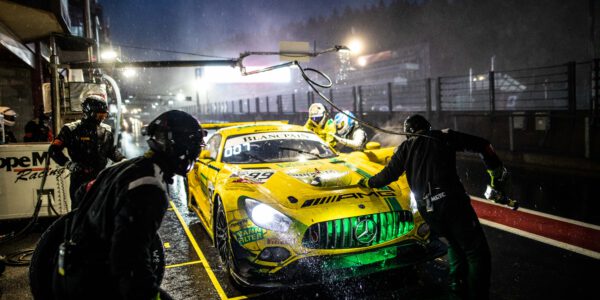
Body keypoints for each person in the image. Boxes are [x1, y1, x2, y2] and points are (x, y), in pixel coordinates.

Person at [51, 110, 205, 300]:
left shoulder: (122, 168)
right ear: (181, 145)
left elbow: (82, 192)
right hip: (95, 286)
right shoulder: (150, 187)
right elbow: (128, 263)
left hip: (68, 275)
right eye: (195, 145)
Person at [358, 114, 509, 300]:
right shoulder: (442, 136)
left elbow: (387, 175)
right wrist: (496, 176)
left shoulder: (404, 148)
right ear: (428, 127)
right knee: (477, 252)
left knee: (455, 244)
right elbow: (484, 145)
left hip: (429, 212)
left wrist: (366, 183)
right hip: (452, 204)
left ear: (408, 134)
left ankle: (457, 292)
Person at [49, 95, 125, 208]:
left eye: (104, 115)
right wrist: (69, 164)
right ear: (89, 113)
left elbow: (111, 151)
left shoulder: (106, 130)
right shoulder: (71, 129)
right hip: (80, 178)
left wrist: (123, 160)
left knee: (101, 210)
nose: (102, 118)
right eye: (99, 115)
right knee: (80, 211)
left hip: (100, 178)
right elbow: (54, 150)